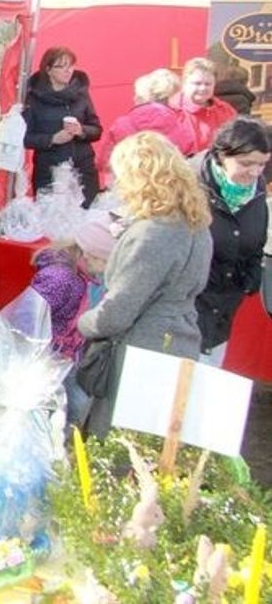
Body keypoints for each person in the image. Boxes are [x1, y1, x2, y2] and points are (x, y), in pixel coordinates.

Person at [78, 132, 213, 436]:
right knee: (157, 441)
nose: (116, 184)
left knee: (121, 445)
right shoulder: (196, 224)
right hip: (181, 339)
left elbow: (118, 312)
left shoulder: (154, 232)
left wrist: (84, 323)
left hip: (143, 350)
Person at [190, 117, 270, 366]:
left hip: (224, 310)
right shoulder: (189, 185)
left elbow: (255, 240)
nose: (255, 172)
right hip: (186, 309)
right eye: (246, 163)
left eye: (262, 164)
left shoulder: (256, 189)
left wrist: (252, 273)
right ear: (222, 155)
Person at [29, 213, 115, 426]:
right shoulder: (60, 278)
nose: (109, 269)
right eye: (106, 262)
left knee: (74, 410)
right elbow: (28, 318)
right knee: (55, 410)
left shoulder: (89, 276)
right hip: (51, 356)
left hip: (73, 355)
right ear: (88, 255)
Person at [23, 47, 103, 206]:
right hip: (50, 170)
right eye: (61, 66)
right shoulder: (33, 98)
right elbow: (25, 138)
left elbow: (97, 129)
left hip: (83, 169)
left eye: (71, 65)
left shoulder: (81, 94)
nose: (68, 70)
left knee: (87, 214)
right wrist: (52, 139)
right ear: (48, 70)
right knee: (51, 215)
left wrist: (81, 131)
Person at [96, 69, 192, 189]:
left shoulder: (122, 123)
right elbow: (189, 161)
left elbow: (103, 162)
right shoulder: (180, 124)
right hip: (169, 188)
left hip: (131, 189)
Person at [170, 58, 238, 154]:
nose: (202, 88)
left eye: (208, 84)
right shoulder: (171, 111)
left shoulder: (226, 111)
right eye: (197, 83)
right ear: (184, 83)